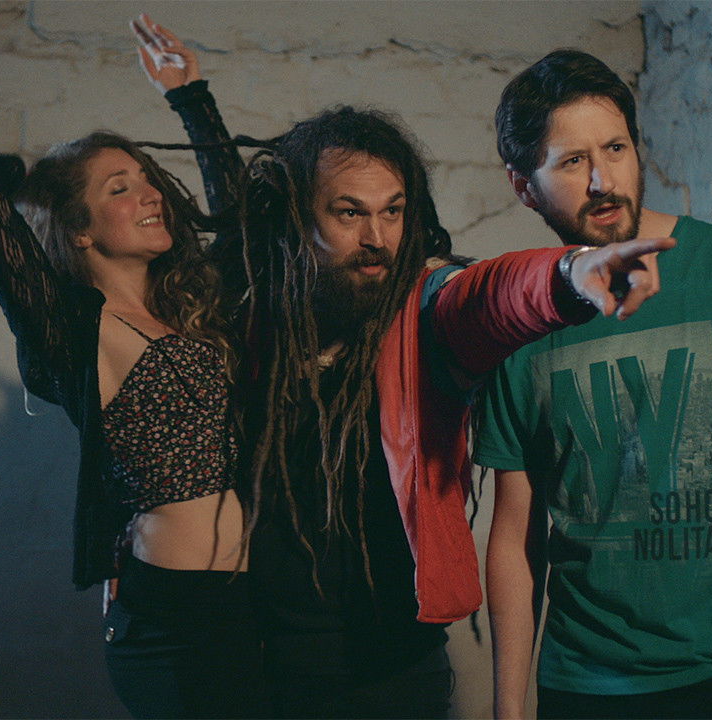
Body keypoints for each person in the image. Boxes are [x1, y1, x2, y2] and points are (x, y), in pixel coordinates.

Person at [134, 17, 674, 718]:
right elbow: (241, 222)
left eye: (392, 212)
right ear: (298, 221)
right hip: (259, 671)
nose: (377, 237)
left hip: (394, 677)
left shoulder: (424, 317)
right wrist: (192, 101)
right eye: (349, 213)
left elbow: (490, 297)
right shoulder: (260, 317)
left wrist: (571, 275)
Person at [475, 49, 712, 719]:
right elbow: (514, 536)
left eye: (615, 148)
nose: (602, 180)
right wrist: (508, 709)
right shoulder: (520, 325)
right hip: (581, 685)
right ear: (524, 186)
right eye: (572, 161)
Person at [0, 99, 260, 715]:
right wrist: (34, 176)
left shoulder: (190, 312)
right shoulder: (75, 326)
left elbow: (242, 226)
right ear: (79, 230)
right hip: (174, 613)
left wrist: (192, 98)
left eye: (147, 179)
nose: (150, 194)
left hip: (245, 601)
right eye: (121, 188)